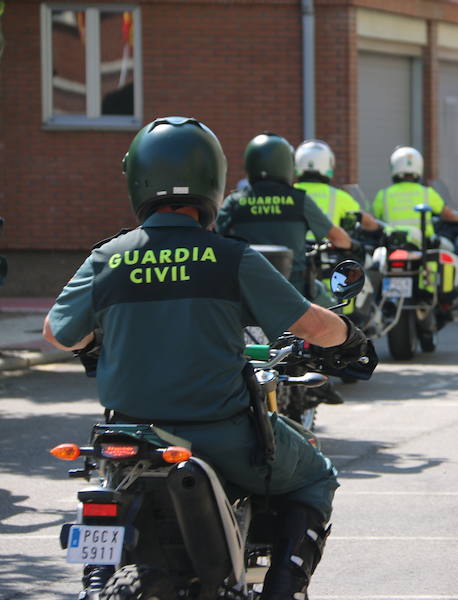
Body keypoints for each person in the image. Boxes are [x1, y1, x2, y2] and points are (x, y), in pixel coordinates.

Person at [42, 116, 371, 600]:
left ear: (137, 179)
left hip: (127, 435)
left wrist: (95, 340)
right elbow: (310, 324)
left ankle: (96, 580)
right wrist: (352, 338)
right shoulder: (230, 257)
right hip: (219, 434)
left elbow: (58, 333)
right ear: (212, 180)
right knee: (316, 475)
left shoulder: (107, 258)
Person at [217, 133, 352, 301]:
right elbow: (340, 239)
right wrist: (351, 245)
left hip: (246, 293)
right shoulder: (299, 200)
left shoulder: (235, 201)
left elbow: (211, 235)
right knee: (335, 313)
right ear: (287, 164)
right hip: (295, 293)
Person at [372, 146, 458, 249]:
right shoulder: (428, 193)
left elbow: (374, 219)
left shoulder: (383, 194)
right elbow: (448, 215)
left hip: (392, 246)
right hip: (423, 247)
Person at [293, 139, 380, 233]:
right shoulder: (339, 196)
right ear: (329, 164)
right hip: (331, 241)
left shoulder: (288, 192)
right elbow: (368, 222)